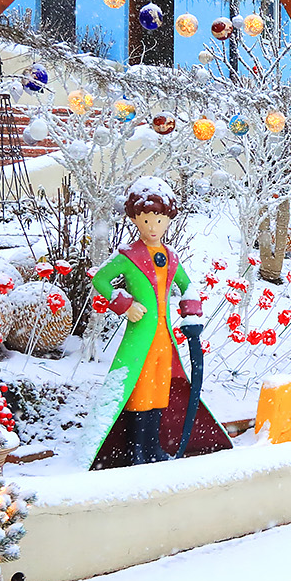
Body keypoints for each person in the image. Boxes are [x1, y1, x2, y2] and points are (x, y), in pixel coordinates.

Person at [89, 177, 203, 469]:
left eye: (159, 220)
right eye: (146, 220)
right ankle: (134, 451)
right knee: (137, 391)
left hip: (165, 338)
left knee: (159, 391)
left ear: (168, 221)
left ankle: (153, 448)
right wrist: (125, 304)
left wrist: (190, 315)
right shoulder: (128, 257)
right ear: (135, 220)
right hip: (140, 338)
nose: (153, 227)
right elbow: (101, 278)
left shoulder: (171, 256)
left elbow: (187, 286)